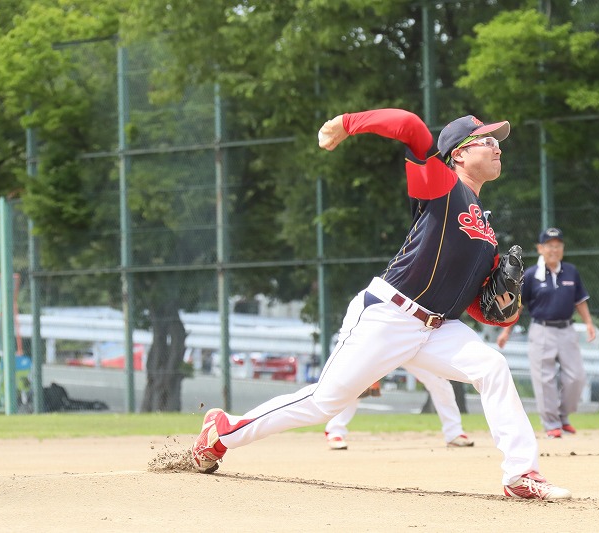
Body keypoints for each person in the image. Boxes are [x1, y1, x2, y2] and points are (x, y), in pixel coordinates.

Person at [191, 108, 571, 500]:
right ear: (458, 153)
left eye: (497, 142)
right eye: (487, 141)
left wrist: (504, 307)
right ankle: (224, 430)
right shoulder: (440, 184)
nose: (497, 148)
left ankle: (520, 474)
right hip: (390, 314)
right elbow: (411, 127)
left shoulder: (486, 227)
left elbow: (478, 305)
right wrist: (346, 123)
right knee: (324, 403)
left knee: (492, 367)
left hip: (438, 327)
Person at [497, 227, 596, 439]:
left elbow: (580, 300)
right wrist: (506, 331)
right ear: (540, 248)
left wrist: (588, 323)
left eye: (558, 245)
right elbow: (518, 306)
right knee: (545, 379)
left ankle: (563, 416)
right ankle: (551, 423)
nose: (554, 249)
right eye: (549, 246)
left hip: (567, 329)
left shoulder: (571, 271)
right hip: (541, 330)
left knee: (577, 377)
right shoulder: (531, 275)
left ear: (562, 248)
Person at [324, 367, 474, 450]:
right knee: (357, 383)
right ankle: (335, 431)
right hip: (383, 340)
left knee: (439, 381)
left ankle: (454, 432)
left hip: (414, 339)